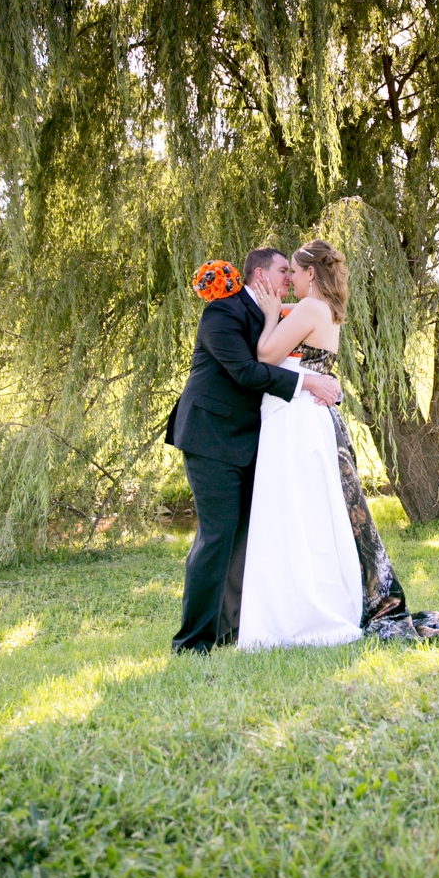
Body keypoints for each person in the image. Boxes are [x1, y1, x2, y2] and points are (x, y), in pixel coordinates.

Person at [238, 239, 439, 648]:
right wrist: (274, 309)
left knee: (297, 512)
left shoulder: (311, 308)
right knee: (317, 513)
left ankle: (307, 607)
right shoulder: (324, 310)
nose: (290, 281)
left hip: (296, 421)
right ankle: (327, 597)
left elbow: (265, 354)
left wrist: (266, 315)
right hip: (306, 418)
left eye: (294, 273)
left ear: (310, 274)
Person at [165, 248, 342, 654]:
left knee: (245, 537)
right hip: (211, 437)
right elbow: (246, 371)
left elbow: (301, 343)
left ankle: (230, 629)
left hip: (251, 441)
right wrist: (308, 386)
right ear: (259, 274)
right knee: (216, 536)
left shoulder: (276, 312)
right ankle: (191, 642)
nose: (288, 279)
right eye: (283, 271)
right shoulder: (221, 313)